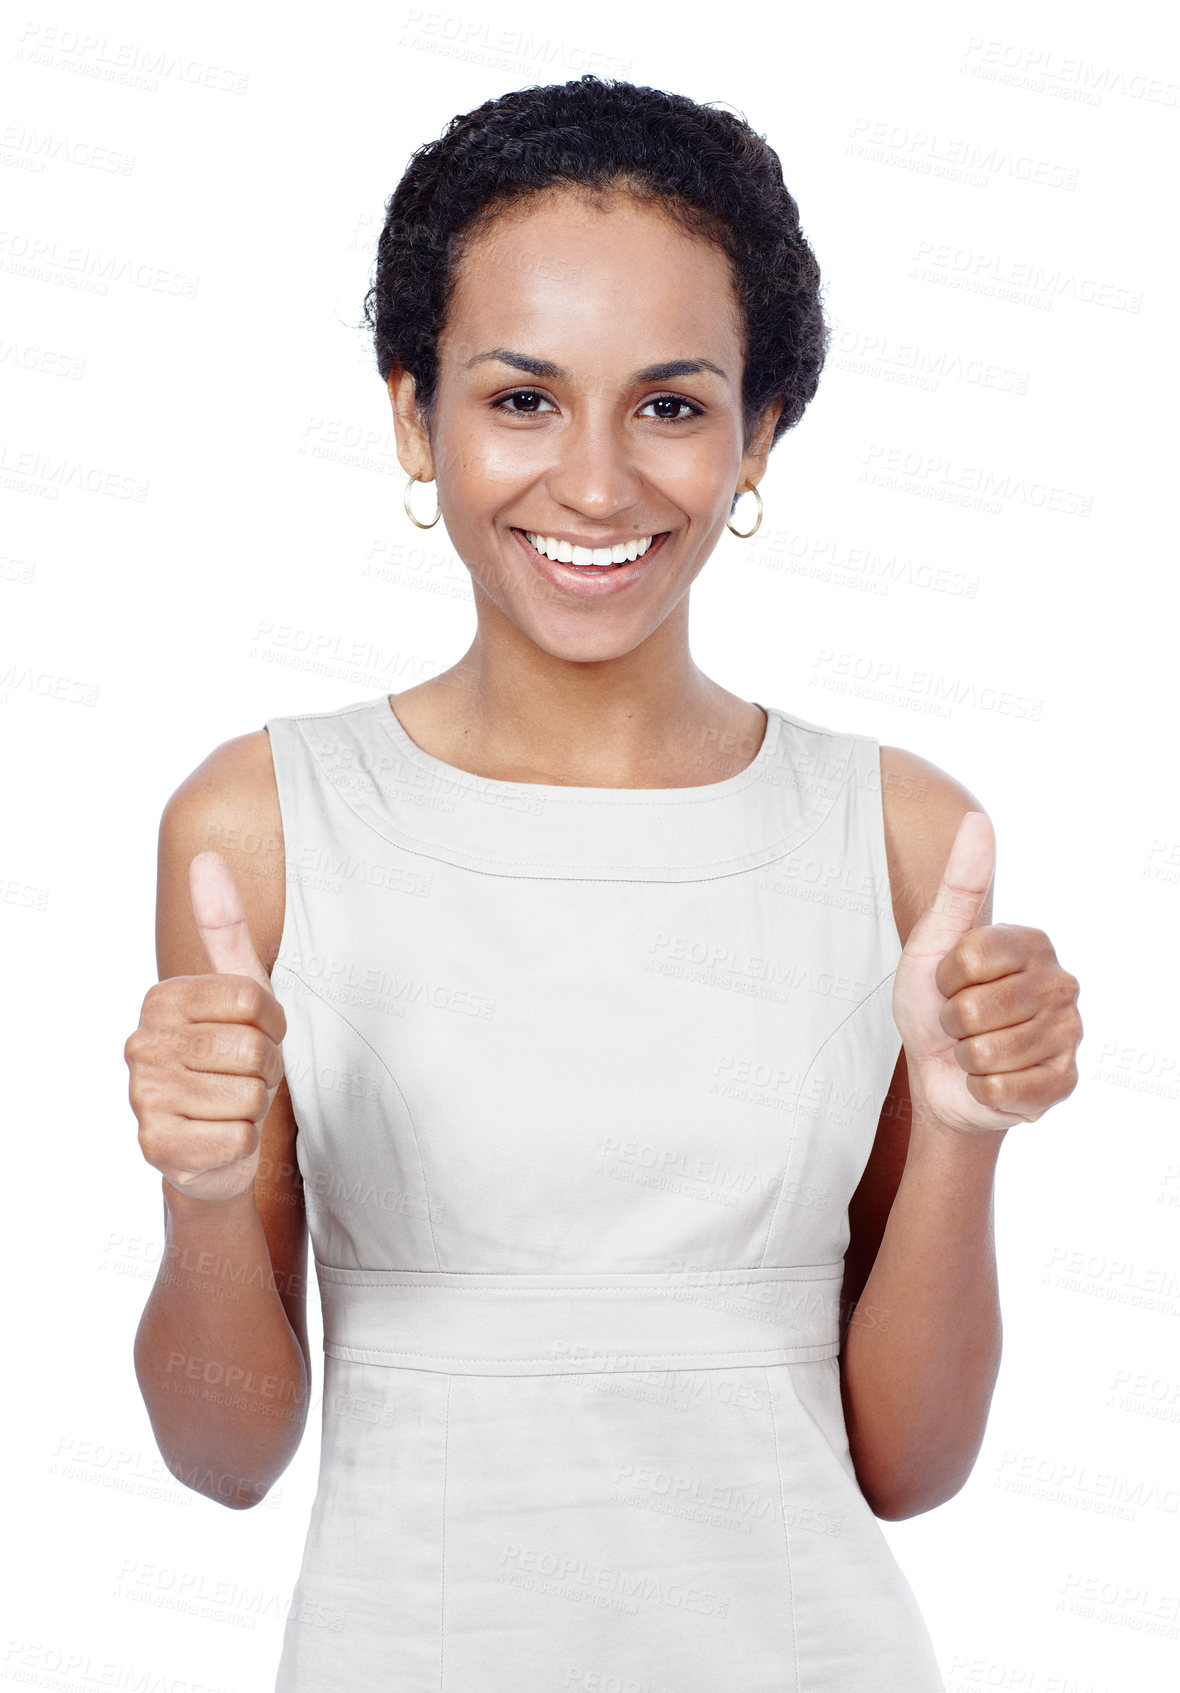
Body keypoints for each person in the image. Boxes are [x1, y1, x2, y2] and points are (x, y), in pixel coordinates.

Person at [123, 76, 1083, 1690]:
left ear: (760, 432)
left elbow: (911, 1468)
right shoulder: (264, 823)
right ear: (413, 415)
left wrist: (964, 1136)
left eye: (671, 404)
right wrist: (207, 1201)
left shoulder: (902, 835)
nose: (592, 483)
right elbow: (225, 1455)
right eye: (520, 398)